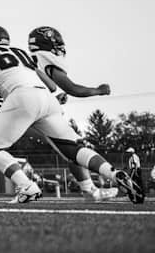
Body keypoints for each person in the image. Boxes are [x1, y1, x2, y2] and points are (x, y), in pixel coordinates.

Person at [0, 25, 141, 204]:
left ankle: (25, 186)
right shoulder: (21, 52)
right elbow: (50, 86)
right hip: (46, 99)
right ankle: (114, 173)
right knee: (74, 149)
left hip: (21, 97)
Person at [28, 26, 118, 202]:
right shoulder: (45, 57)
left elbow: (34, 86)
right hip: (35, 112)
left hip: (19, 107)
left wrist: (53, 98)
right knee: (75, 147)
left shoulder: (26, 58)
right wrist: (98, 90)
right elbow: (72, 88)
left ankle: (89, 190)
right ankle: (101, 184)